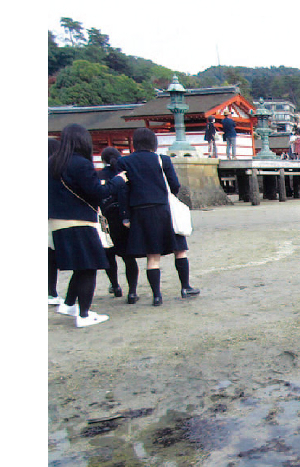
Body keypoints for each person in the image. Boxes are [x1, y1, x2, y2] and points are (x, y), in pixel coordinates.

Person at [48, 124, 128, 327]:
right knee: (89, 265)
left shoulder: (52, 163)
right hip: (79, 221)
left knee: (81, 266)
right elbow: (97, 192)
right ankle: (84, 315)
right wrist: (118, 181)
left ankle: (69, 305)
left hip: (57, 222)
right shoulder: (80, 164)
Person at [116, 127, 200, 306]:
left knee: (152, 256)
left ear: (134, 142)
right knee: (180, 250)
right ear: (154, 142)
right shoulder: (162, 160)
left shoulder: (124, 162)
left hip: (140, 211)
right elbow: (175, 185)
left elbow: (123, 190)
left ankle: (157, 296)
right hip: (164, 210)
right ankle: (185, 287)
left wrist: (126, 216)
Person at [98, 147, 139, 298]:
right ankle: (132, 291)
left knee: (109, 254)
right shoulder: (124, 175)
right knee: (129, 257)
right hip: (123, 217)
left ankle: (115, 286)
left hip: (105, 219)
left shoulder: (99, 175)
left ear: (103, 160)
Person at [49, 137, 63, 306]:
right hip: (53, 218)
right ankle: (51, 291)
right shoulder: (56, 171)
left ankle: (51, 292)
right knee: (50, 257)